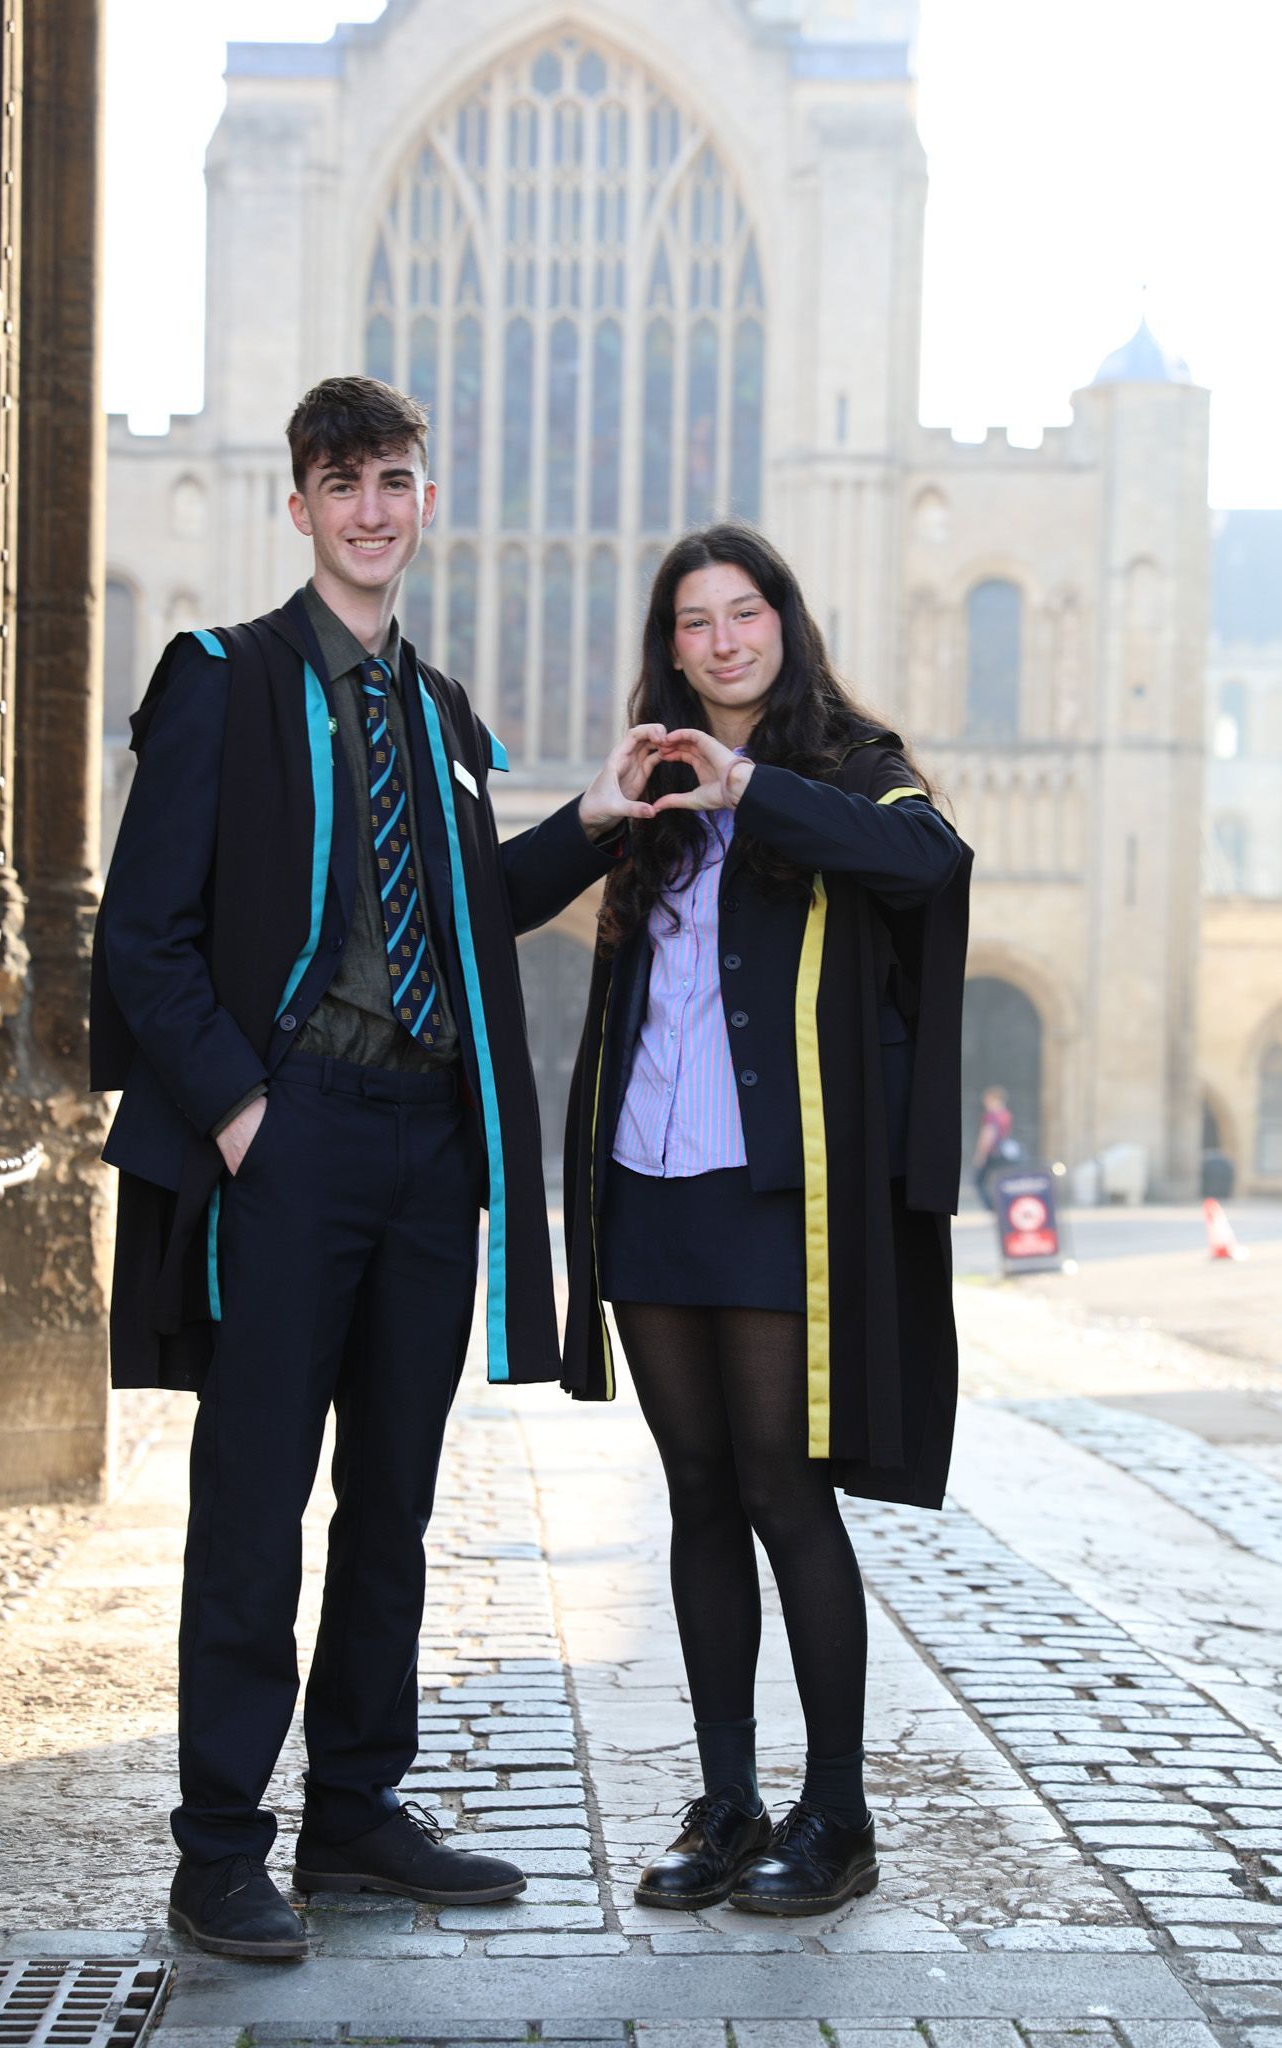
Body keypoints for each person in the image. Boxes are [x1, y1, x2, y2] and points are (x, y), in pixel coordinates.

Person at [90, 375, 659, 1960]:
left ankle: (352, 1810)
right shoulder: (223, 679)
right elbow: (145, 935)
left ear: (422, 499)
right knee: (254, 1497)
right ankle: (220, 1845)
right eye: (338, 483)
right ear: (300, 507)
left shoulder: (443, 712)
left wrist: (596, 820)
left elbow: (469, 914)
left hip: (428, 1151)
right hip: (296, 1132)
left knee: (394, 1501)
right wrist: (240, 1115)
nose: (368, 508)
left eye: (393, 480)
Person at [561, 525, 971, 1918]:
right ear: (668, 644)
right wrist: (621, 805)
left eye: (746, 613)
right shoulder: (652, 771)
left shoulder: (853, 763)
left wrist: (756, 790)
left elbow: (928, 866)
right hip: (650, 1175)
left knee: (782, 1491)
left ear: (784, 622)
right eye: (697, 621)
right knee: (693, 1495)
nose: (725, 640)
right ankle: (728, 1800)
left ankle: (836, 1815)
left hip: (772, 1191)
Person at [973, 1084, 1016, 1210]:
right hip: (1002, 1153)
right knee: (1000, 1179)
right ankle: (1001, 1203)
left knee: (978, 1181)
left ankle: (991, 1206)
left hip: (992, 1152)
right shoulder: (1005, 1114)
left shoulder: (992, 1116)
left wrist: (980, 1154)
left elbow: (987, 1135)